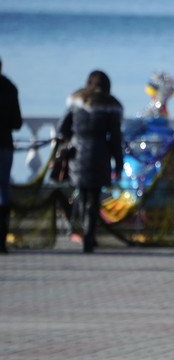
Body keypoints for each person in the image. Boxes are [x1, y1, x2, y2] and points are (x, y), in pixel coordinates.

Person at [58, 70, 124, 253]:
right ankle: (89, 236)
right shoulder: (111, 106)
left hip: (77, 153)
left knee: (82, 194)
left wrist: (71, 140)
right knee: (94, 199)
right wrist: (118, 163)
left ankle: (81, 232)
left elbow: (62, 128)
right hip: (100, 153)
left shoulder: (76, 102)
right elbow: (116, 137)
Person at [0, 57, 23, 254]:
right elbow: (17, 122)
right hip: (4, 145)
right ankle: (2, 239)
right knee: (3, 191)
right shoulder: (9, 88)